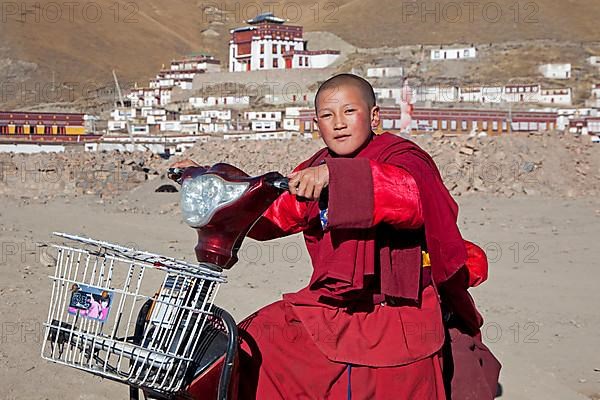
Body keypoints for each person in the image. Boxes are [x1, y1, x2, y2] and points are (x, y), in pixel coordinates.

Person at [173, 73, 499, 399]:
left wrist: (336, 177)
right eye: (328, 116)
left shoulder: (402, 158)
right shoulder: (317, 167)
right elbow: (269, 215)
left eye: (349, 112)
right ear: (317, 124)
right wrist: (208, 184)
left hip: (396, 311)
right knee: (249, 342)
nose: (339, 124)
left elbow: (410, 197)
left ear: (374, 117)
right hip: (331, 305)